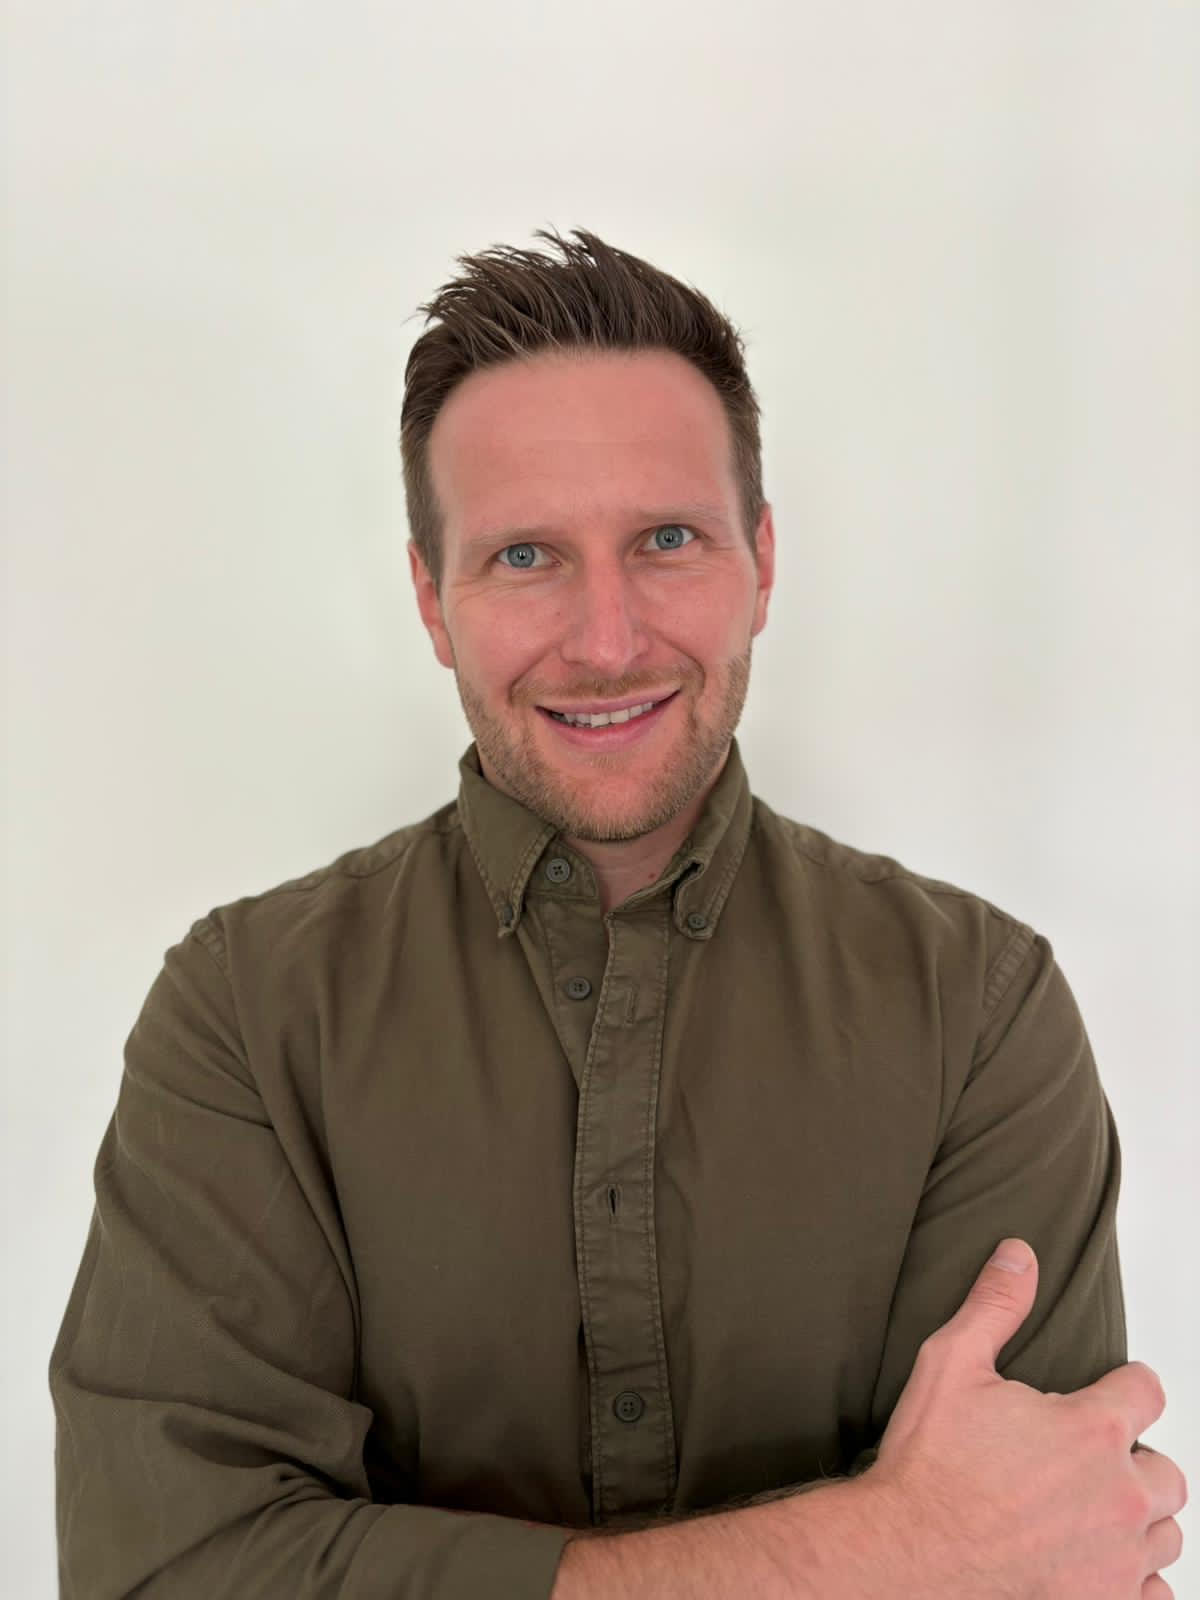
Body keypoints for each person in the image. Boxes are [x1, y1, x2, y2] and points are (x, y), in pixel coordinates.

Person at [50, 228, 1186, 1598]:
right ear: (431, 600)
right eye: (525, 555)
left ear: (761, 561)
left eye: (666, 539)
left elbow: (1047, 1565)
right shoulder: (245, 1011)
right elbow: (167, 1574)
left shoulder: (978, 1008)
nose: (605, 637)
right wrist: (885, 1549)